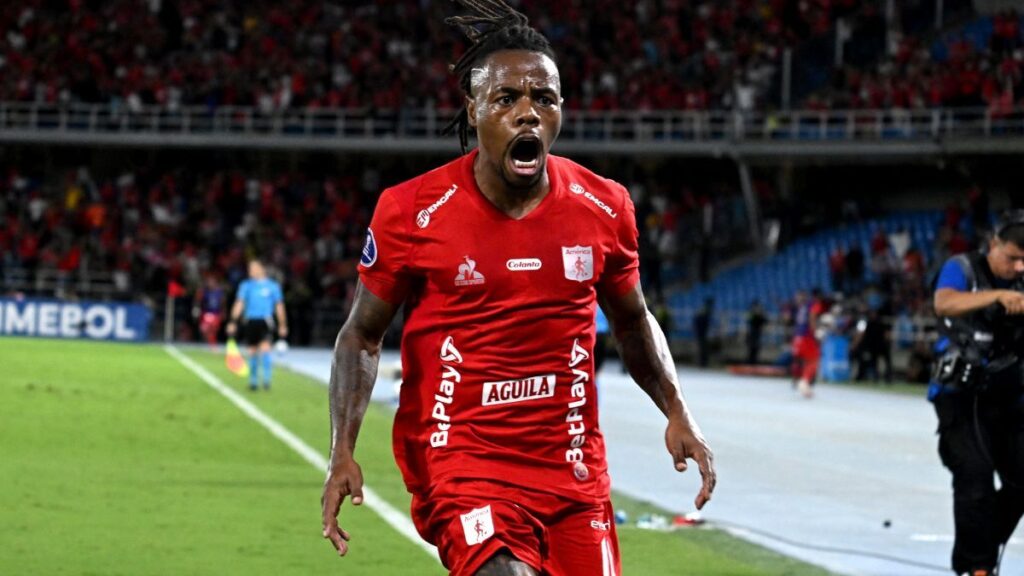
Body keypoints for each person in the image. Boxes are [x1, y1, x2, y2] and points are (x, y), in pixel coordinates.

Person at [319, 3, 716, 575]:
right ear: (473, 108)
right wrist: (342, 451)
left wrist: (677, 410)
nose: (528, 113)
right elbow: (360, 336)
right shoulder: (413, 212)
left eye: (544, 98)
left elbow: (632, 320)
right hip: (461, 461)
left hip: (572, 469)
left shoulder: (605, 206)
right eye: (507, 99)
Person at [931, 210, 1024, 576]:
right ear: (994, 244)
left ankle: (983, 547)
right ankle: (977, 568)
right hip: (961, 392)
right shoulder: (963, 268)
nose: (1018, 267)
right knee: (975, 476)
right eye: (1012, 257)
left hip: (1011, 394)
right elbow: (944, 302)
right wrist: (997, 296)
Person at [225, 259, 287, 391]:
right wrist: (233, 321)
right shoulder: (246, 285)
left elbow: (279, 306)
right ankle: (253, 381)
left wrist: (282, 324)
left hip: (265, 321)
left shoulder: (272, 286)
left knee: (265, 348)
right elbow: (239, 303)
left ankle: (266, 379)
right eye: (249, 268)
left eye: (253, 268)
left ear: (262, 269)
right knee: (252, 351)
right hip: (250, 320)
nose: (250, 271)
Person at [791, 289, 826, 398]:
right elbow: (812, 318)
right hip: (807, 337)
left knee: (802, 360)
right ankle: (804, 381)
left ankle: (799, 380)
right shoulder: (815, 304)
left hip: (798, 337)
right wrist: (815, 333)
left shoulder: (803, 306)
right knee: (814, 360)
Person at [193, 273, 226, 348]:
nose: (210, 283)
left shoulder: (219, 292)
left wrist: (223, 312)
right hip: (206, 313)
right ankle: (207, 343)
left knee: (213, 330)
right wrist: (196, 310)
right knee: (204, 329)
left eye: (212, 281)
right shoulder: (204, 291)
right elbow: (198, 301)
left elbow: (222, 303)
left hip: (216, 314)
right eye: (208, 282)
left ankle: (212, 344)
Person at [745, 299, 767, 365]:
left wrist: (760, 314)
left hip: (758, 334)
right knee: (751, 349)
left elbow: (765, 321)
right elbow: (748, 320)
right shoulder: (751, 312)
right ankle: (749, 362)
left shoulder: (761, 314)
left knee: (756, 349)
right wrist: (755, 314)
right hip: (752, 333)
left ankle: (754, 362)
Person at [694, 297, 713, 368]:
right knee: (702, 348)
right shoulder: (706, 311)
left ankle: (702, 362)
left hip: (701, 332)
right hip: (701, 332)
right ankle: (702, 362)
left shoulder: (703, 310)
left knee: (702, 348)